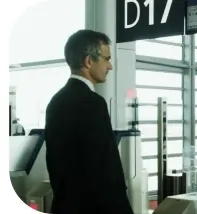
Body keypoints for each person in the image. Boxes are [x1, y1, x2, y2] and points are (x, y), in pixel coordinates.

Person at [42, 30, 131, 214]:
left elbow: (55, 163)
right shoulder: (93, 103)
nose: (110, 66)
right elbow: (105, 171)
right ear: (89, 61)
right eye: (107, 59)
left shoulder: (55, 101)